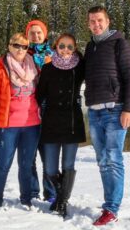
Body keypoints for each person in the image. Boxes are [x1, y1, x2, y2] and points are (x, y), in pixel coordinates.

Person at [83, 6, 130, 226]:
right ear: (88, 24)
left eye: (100, 20)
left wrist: (129, 109)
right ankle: (109, 203)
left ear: (108, 21)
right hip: (94, 112)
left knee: (113, 159)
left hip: (115, 110)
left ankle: (112, 209)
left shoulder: (119, 43)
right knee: (102, 160)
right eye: (92, 21)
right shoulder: (90, 47)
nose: (96, 24)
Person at [0, 32, 41, 209]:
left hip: (32, 126)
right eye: (16, 45)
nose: (20, 49)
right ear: (9, 46)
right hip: (8, 126)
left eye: (24, 46)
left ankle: (26, 199)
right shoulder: (1, 68)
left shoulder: (34, 67)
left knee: (26, 165)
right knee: (3, 164)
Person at [36, 33, 85, 219]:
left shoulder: (80, 67)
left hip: (72, 121)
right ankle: (61, 196)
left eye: (70, 47)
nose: (66, 50)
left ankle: (61, 201)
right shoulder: (47, 68)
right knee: (49, 168)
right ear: (56, 46)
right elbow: (39, 95)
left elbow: (97, 74)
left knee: (68, 165)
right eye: (62, 46)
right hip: (51, 123)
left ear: (75, 49)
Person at [24, 19, 56, 203]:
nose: (35, 36)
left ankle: (50, 193)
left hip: (48, 110)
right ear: (27, 35)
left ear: (45, 34)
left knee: (49, 155)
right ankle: (32, 193)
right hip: (27, 110)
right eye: (32, 33)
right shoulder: (21, 54)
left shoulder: (53, 55)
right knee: (29, 156)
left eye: (39, 33)